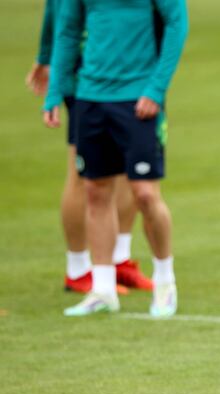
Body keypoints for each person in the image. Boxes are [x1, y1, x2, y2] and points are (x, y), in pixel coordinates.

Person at [43, 0, 189, 317]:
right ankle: (103, 289)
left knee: (146, 194)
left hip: (139, 100)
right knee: (95, 191)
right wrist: (55, 90)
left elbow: (178, 24)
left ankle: (165, 281)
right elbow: (67, 31)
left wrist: (156, 88)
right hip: (90, 98)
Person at [26, 0, 153, 296]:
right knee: (85, 174)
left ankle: (118, 257)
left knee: (127, 167)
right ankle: (79, 268)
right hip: (84, 73)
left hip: (127, 68)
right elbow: (56, 10)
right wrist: (46, 57)